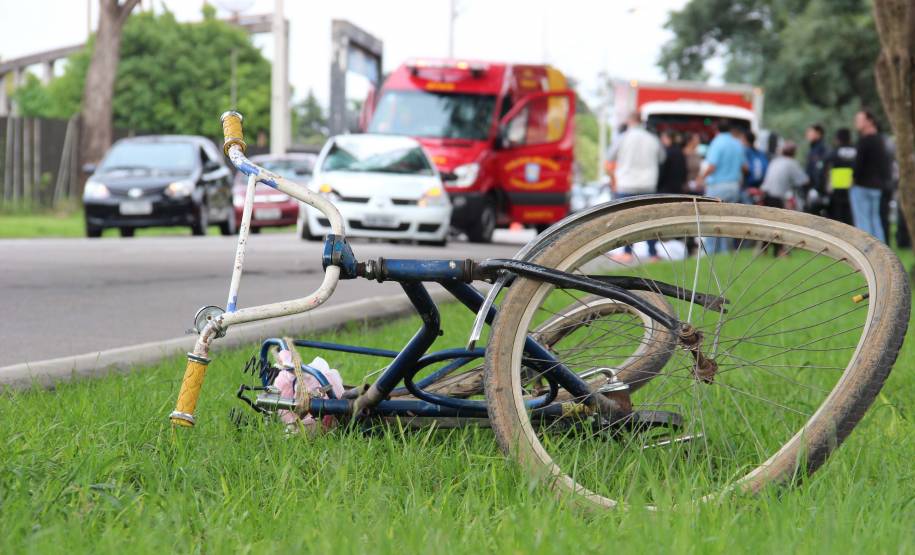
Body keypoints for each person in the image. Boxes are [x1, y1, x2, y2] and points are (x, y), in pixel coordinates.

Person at [607, 111, 665, 260]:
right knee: (649, 220)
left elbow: (610, 156)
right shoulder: (653, 139)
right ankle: (653, 253)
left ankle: (627, 252)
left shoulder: (623, 138)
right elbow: (662, 158)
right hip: (648, 184)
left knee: (627, 221)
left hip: (626, 184)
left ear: (629, 121)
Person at [696, 121, 746, 252]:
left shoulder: (717, 142)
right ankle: (725, 251)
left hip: (718, 186)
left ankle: (711, 251)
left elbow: (712, 165)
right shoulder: (737, 143)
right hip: (734, 186)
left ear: (716, 129)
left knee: (711, 220)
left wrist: (701, 178)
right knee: (727, 221)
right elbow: (744, 167)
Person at [850, 109, 891, 242]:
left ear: (870, 121)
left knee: (863, 222)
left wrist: (852, 178)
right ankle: (881, 252)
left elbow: (858, 165)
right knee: (875, 220)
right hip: (877, 186)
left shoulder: (864, 141)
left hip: (862, 186)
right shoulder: (882, 140)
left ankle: (867, 252)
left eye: (859, 120)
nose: (856, 123)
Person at [760, 141, 809, 210]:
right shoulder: (792, 163)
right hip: (778, 200)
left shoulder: (775, 161)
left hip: (765, 197)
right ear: (794, 152)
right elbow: (805, 181)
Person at [824, 128, 855, 225]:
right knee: (851, 220)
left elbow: (826, 169)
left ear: (837, 139)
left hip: (836, 190)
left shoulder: (833, 152)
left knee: (837, 221)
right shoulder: (857, 151)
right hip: (853, 189)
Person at [804, 124, 828, 213]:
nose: (807, 134)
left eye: (810, 132)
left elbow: (819, 171)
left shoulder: (821, 150)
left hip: (817, 190)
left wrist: (815, 189)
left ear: (818, 134)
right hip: (812, 189)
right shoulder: (813, 149)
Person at [657, 130, 687, 194]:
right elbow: (684, 170)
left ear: (669, 138)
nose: (661, 140)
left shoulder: (666, 152)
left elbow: (662, 171)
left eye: (663, 138)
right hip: (678, 188)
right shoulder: (679, 151)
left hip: (665, 188)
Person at [742, 130, 769, 203]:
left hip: (747, 188)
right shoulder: (761, 153)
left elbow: (745, 168)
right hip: (759, 188)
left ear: (744, 139)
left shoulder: (744, 151)